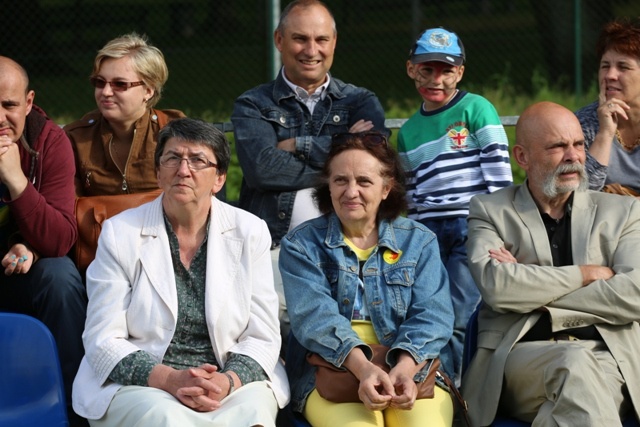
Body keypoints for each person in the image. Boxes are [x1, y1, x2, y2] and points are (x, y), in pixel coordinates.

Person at [72, 118, 289, 426]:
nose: (183, 170)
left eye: (198, 160)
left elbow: (263, 334)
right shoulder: (120, 232)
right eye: (172, 158)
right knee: (166, 418)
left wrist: (226, 381)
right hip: (144, 383)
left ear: (219, 179)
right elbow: (102, 338)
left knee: (253, 413)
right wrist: (170, 379)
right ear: (159, 173)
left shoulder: (249, 231)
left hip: (227, 381)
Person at [462, 101, 640, 426]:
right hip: (519, 359)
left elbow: (633, 294)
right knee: (574, 364)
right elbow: (498, 288)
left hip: (609, 355)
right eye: (558, 146)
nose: (573, 156)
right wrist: (586, 275)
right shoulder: (490, 210)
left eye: (578, 145)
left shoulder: (623, 212)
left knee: (571, 393)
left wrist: (532, 288)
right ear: (522, 157)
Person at [232, 0, 389, 349]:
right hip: (275, 248)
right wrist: (344, 148)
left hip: (352, 246)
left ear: (334, 42)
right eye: (300, 38)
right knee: (273, 334)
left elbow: (372, 162)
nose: (312, 50)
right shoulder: (253, 105)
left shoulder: (361, 101)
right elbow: (263, 169)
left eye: (321, 39)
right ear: (279, 40)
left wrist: (298, 144)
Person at [280, 131, 455, 427]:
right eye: (340, 180)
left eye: (364, 181)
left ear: (386, 188)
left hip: (412, 372)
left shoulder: (419, 241)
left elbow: (433, 315)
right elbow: (314, 318)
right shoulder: (301, 244)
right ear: (328, 186)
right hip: (331, 373)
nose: (351, 192)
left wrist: (405, 367)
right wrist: (363, 369)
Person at [397, 27, 513, 384]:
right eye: (426, 69)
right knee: (430, 308)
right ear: (411, 69)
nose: (437, 79)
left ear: (460, 72)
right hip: (428, 232)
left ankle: (455, 388)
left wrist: (505, 229)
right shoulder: (408, 131)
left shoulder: (477, 109)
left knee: (461, 312)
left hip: (470, 224)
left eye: (446, 70)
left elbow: (499, 175)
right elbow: (411, 194)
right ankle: (437, 382)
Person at [0, 56, 88, 426]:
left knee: (59, 276)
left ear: (29, 102)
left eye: (9, 105)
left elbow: (60, 238)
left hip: (18, 276)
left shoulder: (50, 141)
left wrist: (16, 180)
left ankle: (74, 408)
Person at [64, 32, 185, 196]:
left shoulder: (174, 131)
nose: (106, 92)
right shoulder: (77, 138)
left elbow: (193, 198)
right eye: (99, 82)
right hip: (100, 222)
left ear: (148, 91)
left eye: (120, 84)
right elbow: (68, 205)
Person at [575, 17, 640, 197]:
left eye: (623, 67)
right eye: (605, 66)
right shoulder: (582, 123)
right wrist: (604, 134)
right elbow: (578, 196)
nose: (610, 75)